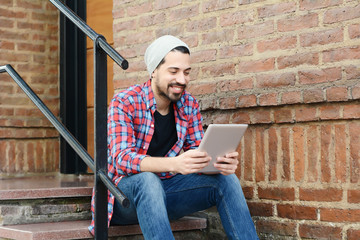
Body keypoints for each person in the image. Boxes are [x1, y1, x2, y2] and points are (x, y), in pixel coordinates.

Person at [89, 35, 258, 239]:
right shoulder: (125, 102)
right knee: (148, 181)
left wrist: (218, 162)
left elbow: (198, 151)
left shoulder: (189, 105)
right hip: (122, 198)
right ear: (154, 71)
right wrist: (174, 164)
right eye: (174, 71)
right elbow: (122, 159)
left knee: (226, 180)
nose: (182, 80)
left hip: (166, 193)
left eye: (187, 72)